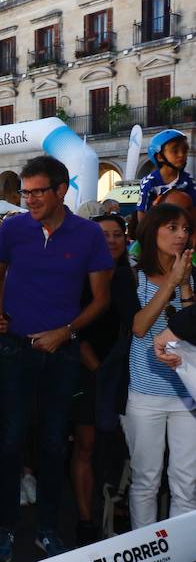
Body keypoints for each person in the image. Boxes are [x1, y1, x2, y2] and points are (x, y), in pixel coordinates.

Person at [0, 156, 113, 560]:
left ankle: (47, 529)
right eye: (25, 192)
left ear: (61, 191)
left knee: (55, 444)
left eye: (37, 191)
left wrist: (67, 332)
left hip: (63, 354)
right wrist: (2, 315)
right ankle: (4, 527)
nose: (29, 200)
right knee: (9, 442)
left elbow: (102, 299)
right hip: (14, 350)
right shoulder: (12, 228)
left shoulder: (89, 235)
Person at [122, 204, 196, 529]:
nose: (181, 235)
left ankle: (179, 550)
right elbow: (139, 327)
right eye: (172, 227)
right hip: (146, 395)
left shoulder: (191, 278)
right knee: (145, 482)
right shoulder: (133, 276)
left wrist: (184, 283)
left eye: (185, 229)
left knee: (186, 485)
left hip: (188, 396)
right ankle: (147, 548)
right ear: (153, 231)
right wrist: (170, 283)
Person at [70, 212, 137, 546]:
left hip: (129, 376)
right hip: (89, 371)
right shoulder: (78, 278)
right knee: (86, 445)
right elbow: (73, 330)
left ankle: (120, 505)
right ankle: (86, 518)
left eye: (116, 234)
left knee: (124, 449)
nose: (110, 241)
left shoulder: (134, 277)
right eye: (103, 235)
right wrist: (99, 372)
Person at [137, 129, 195, 221]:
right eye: (175, 151)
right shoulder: (150, 182)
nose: (181, 155)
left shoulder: (188, 180)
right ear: (159, 156)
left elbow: (193, 210)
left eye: (184, 150)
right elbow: (142, 215)